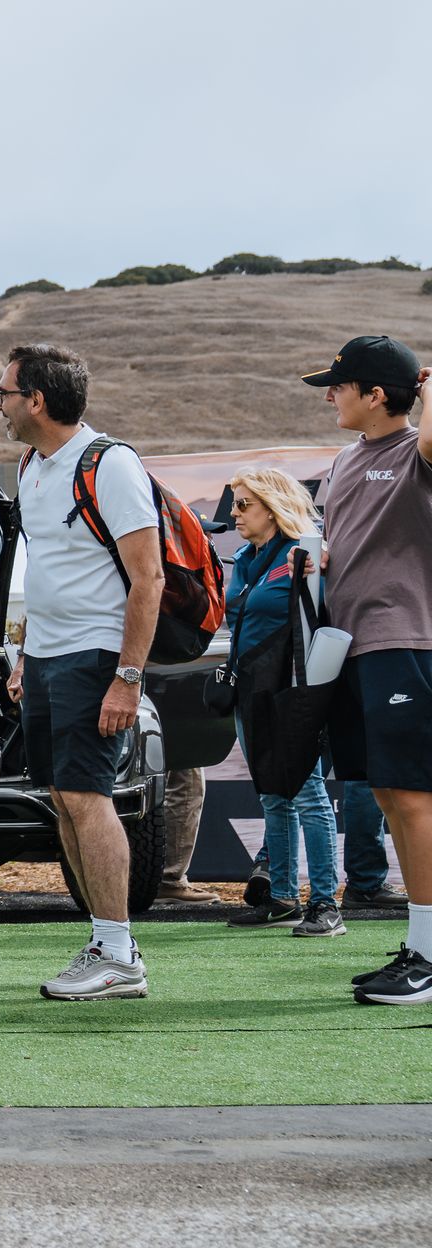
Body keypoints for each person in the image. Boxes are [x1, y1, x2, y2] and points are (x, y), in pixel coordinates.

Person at [0, 343, 162, 1000]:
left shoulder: (111, 464)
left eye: (3, 395)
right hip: (47, 660)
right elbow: (48, 571)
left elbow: (149, 577)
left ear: (36, 400)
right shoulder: (30, 464)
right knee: (64, 799)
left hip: (97, 656)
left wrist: (128, 676)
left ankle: (118, 955)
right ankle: (107, 940)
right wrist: (27, 655)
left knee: (88, 799)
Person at [300, 337, 432, 1004]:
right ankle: (420, 944)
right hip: (348, 646)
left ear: (375, 394)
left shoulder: (417, 451)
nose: (330, 394)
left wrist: (427, 383)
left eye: (340, 384)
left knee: (412, 797)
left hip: (405, 641)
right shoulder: (346, 459)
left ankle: (430, 955)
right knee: (387, 796)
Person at [218, 467, 340, 936]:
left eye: (244, 503)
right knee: (273, 794)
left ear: (273, 506)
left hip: (294, 688)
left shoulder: (305, 553)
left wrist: (322, 560)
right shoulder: (246, 557)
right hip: (252, 690)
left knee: (308, 795)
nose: (234, 512)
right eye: (234, 502)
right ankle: (284, 898)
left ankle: (326, 903)